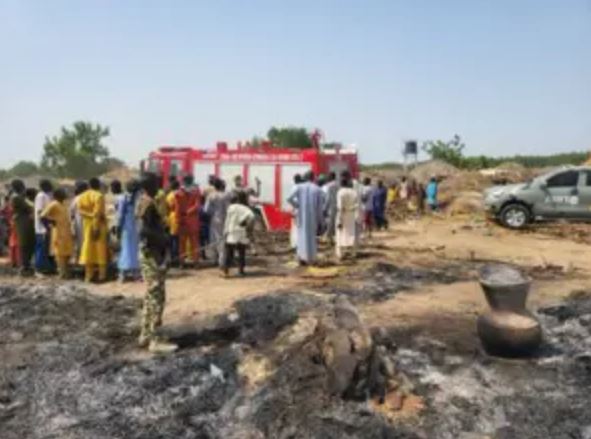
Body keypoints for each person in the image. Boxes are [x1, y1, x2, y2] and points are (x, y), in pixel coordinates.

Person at [137, 173, 177, 353]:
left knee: (150, 296)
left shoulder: (146, 201)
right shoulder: (148, 203)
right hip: (152, 255)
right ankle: (155, 340)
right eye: (157, 183)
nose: (160, 186)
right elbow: (146, 231)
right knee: (156, 297)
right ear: (150, 185)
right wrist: (164, 240)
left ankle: (145, 335)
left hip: (151, 253)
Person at [287, 171, 324, 265]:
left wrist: (298, 206)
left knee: (301, 237)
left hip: (301, 216)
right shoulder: (318, 189)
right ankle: (311, 259)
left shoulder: (299, 187)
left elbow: (289, 198)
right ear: (313, 178)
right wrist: (321, 222)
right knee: (311, 238)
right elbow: (320, 208)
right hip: (313, 218)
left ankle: (301, 258)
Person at [78, 177, 109, 282]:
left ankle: (88, 276)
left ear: (89, 185)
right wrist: (95, 227)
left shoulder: (82, 196)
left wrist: (89, 215)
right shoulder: (99, 196)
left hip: (86, 225)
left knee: (88, 249)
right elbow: (97, 213)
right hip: (98, 226)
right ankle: (102, 275)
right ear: (98, 185)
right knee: (100, 250)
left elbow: (80, 211)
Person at [40, 188, 73, 279]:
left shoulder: (64, 204)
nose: (65, 194)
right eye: (63, 193)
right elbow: (42, 216)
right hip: (58, 231)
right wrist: (49, 225)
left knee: (67, 252)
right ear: (58, 195)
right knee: (59, 253)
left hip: (66, 231)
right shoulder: (53, 204)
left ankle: (66, 271)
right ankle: (62, 273)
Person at [222, 190, 255, 276]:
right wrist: (246, 224)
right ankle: (241, 271)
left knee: (229, 252)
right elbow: (252, 217)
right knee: (241, 252)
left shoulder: (231, 207)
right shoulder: (246, 208)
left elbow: (227, 221)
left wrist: (225, 232)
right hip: (242, 231)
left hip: (232, 232)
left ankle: (226, 271)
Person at [116, 179, 141, 281]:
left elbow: (120, 215)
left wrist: (118, 227)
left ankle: (123, 273)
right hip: (137, 225)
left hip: (126, 225)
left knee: (125, 247)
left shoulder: (123, 198)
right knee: (135, 249)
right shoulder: (139, 198)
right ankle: (136, 273)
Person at [10, 180, 35, 276]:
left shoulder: (20, 197)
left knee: (28, 242)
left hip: (24, 222)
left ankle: (26, 265)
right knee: (24, 243)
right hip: (22, 222)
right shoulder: (17, 197)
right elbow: (30, 207)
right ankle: (25, 267)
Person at [204, 178, 230, 266]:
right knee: (223, 240)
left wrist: (213, 213)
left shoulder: (211, 196)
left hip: (214, 219)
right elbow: (229, 208)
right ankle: (221, 261)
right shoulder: (227, 195)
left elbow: (206, 210)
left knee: (214, 239)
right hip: (226, 219)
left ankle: (217, 260)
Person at [176, 175, 200, 266]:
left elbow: (177, 207)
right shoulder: (196, 191)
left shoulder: (179, 192)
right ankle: (196, 262)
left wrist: (178, 219)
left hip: (182, 219)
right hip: (193, 219)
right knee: (194, 242)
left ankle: (181, 262)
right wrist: (189, 212)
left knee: (182, 243)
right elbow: (197, 205)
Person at [335, 175, 360, 260]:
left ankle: (340, 254)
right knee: (352, 233)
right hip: (351, 214)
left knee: (340, 234)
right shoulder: (354, 192)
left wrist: (339, 219)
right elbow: (357, 205)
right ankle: (354, 253)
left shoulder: (340, 192)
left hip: (343, 214)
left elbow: (339, 206)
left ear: (341, 184)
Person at [34, 179, 54, 274]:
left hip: (46, 225)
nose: (51, 186)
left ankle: (46, 267)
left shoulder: (46, 196)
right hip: (42, 227)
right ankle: (39, 268)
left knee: (45, 248)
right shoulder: (41, 196)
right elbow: (40, 212)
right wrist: (46, 226)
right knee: (41, 248)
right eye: (49, 185)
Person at [70, 181, 88, 263]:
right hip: (88, 223)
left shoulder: (77, 198)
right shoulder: (90, 196)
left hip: (79, 223)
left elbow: (71, 212)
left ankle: (81, 262)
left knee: (80, 242)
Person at [166, 178, 180, 265]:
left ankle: (173, 258)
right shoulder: (180, 194)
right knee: (177, 239)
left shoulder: (170, 195)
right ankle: (177, 258)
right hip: (180, 216)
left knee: (173, 238)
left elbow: (168, 207)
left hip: (172, 216)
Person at [323, 172, 339, 244]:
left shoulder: (329, 186)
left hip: (330, 207)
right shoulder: (338, 185)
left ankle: (329, 240)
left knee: (329, 223)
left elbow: (328, 198)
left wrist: (325, 208)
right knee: (335, 223)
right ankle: (334, 238)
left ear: (330, 177)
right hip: (337, 206)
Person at [289, 174, 303, 250]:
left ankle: (294, 244)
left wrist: (294, 207)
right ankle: (299, 243)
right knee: (299, 227)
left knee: (294, 227)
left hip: (295, 209)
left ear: (294, 180)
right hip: (301, 210)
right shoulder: (301, 187)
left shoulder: (294, 187)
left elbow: (290, 199)